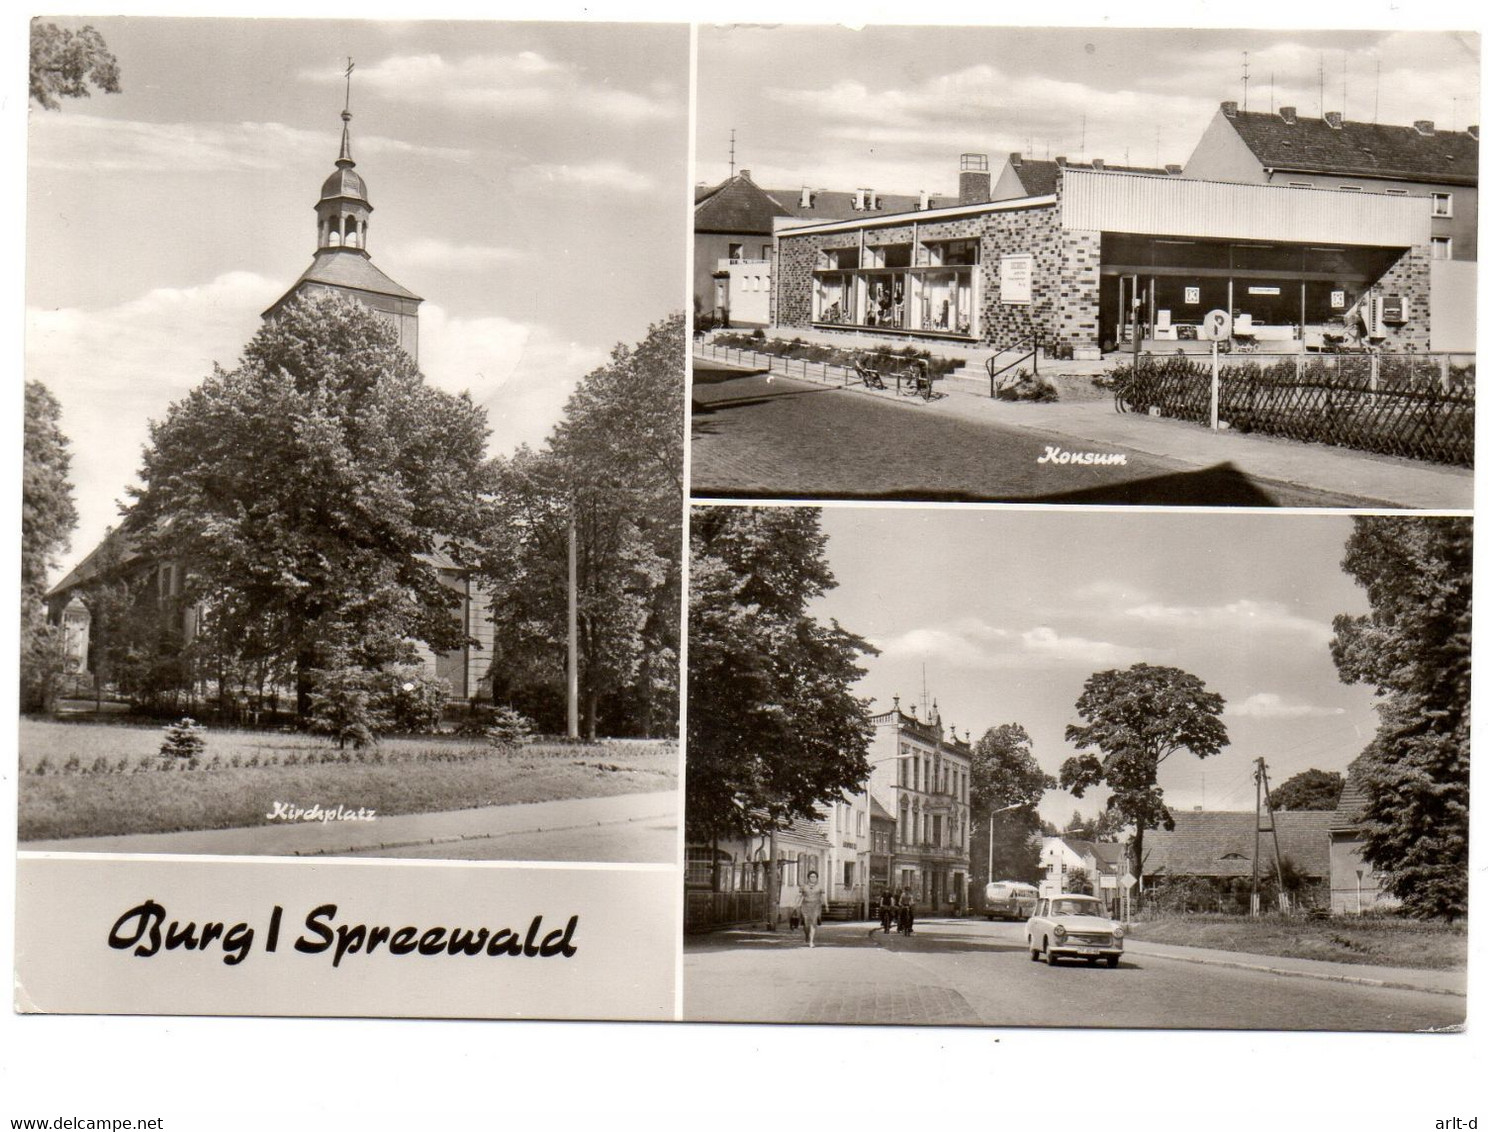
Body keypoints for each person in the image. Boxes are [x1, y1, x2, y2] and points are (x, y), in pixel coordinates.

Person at [797, 869, 826, 948]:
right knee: (806, 924)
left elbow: (822, 896)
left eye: (814, 877)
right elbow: (800, 896)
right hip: (805, 906)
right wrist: (796, 904)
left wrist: (826, 905)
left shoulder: (820, 887)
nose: (813, 878)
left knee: (813, 923)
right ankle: (807, 935)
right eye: (811, 876)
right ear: (808, 878)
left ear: (817, 878)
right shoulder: (804, 886)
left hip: (816, 906)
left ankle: (811, 941)